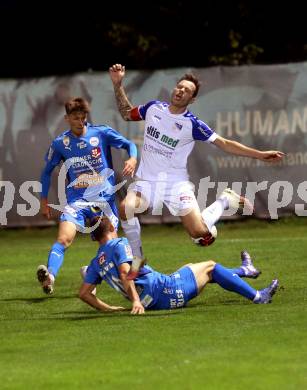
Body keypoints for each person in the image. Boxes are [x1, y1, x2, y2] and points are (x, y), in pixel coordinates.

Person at [108, 64, 285, 277]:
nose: (180, 91)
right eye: (179, 87)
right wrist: (118, 84)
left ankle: (225, 200)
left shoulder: (192, 124)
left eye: (187, 90)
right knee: (125, 207)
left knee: (201, 235)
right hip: (147, 182)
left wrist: (260, 154)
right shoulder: (154, 108)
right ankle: (137, 258)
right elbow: (127, 113)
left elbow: (225, 143)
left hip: (176, 184)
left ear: (191, 99)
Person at [37, 97, 138, 294]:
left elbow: (129, 144)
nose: (80, 121)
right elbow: (46, 172)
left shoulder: (100, 132)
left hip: (104, 201)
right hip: (77, 201)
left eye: (83, 117)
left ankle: (91, 274)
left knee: (111, 249)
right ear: (67, 118)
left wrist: (133, 158)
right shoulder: (60, 143)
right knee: (64, 239)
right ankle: (50, 277)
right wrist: (43, 200)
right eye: (75, 118)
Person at [79, 216, 279, 315]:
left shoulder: (96, 262)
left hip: (153, 298)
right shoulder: (120, 243)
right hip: (164, 290)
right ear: (113, 227)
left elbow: (85, 293)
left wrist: (108, 309)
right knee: (211, 267)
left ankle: (245, 270)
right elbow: (125, 273)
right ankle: (258, 297)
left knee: (191, 266)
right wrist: (135, 302)